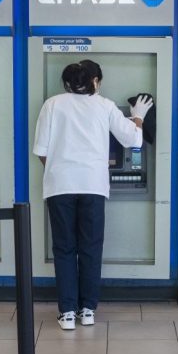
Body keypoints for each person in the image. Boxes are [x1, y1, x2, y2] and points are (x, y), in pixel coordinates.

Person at [33, 59, 153, 330]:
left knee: (64, 249)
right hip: (93, 187)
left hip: (60, 186)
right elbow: (133, 140)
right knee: (91, 248)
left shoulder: (52, 105)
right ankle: (87, 310)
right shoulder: (105, 106)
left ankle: (66, 313)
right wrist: (138, 116)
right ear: (96, 81)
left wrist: (59, 170)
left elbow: (41, 151)